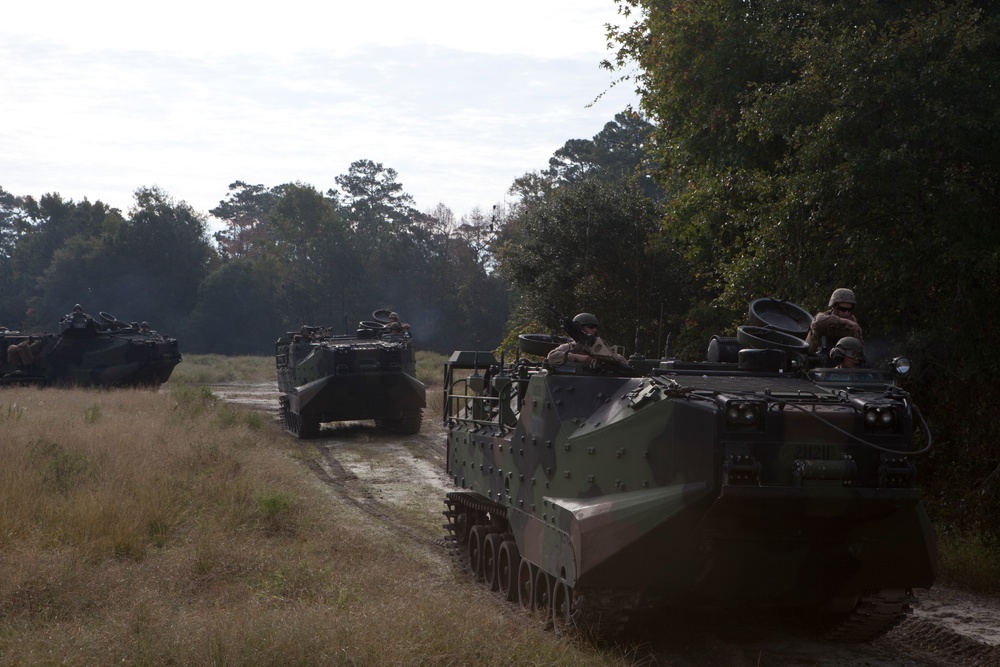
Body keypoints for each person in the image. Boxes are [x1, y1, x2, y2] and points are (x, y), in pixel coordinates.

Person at [546, 313, 628, 366]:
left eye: (596, 327)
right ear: (580, 328)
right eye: (590, 327)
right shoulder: (570, 346)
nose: (594, 330)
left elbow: (619, 359)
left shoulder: (599, 346)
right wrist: (577, 357)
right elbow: (551, 356)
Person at [805, 288, 863, 354]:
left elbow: (858, 346)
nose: (846, 313)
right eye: (843, 309)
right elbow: (818, 322)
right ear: (834, 307)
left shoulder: (852, 322)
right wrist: (845, 321)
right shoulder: (823, 317)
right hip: (814, 357)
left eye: (850, 309)